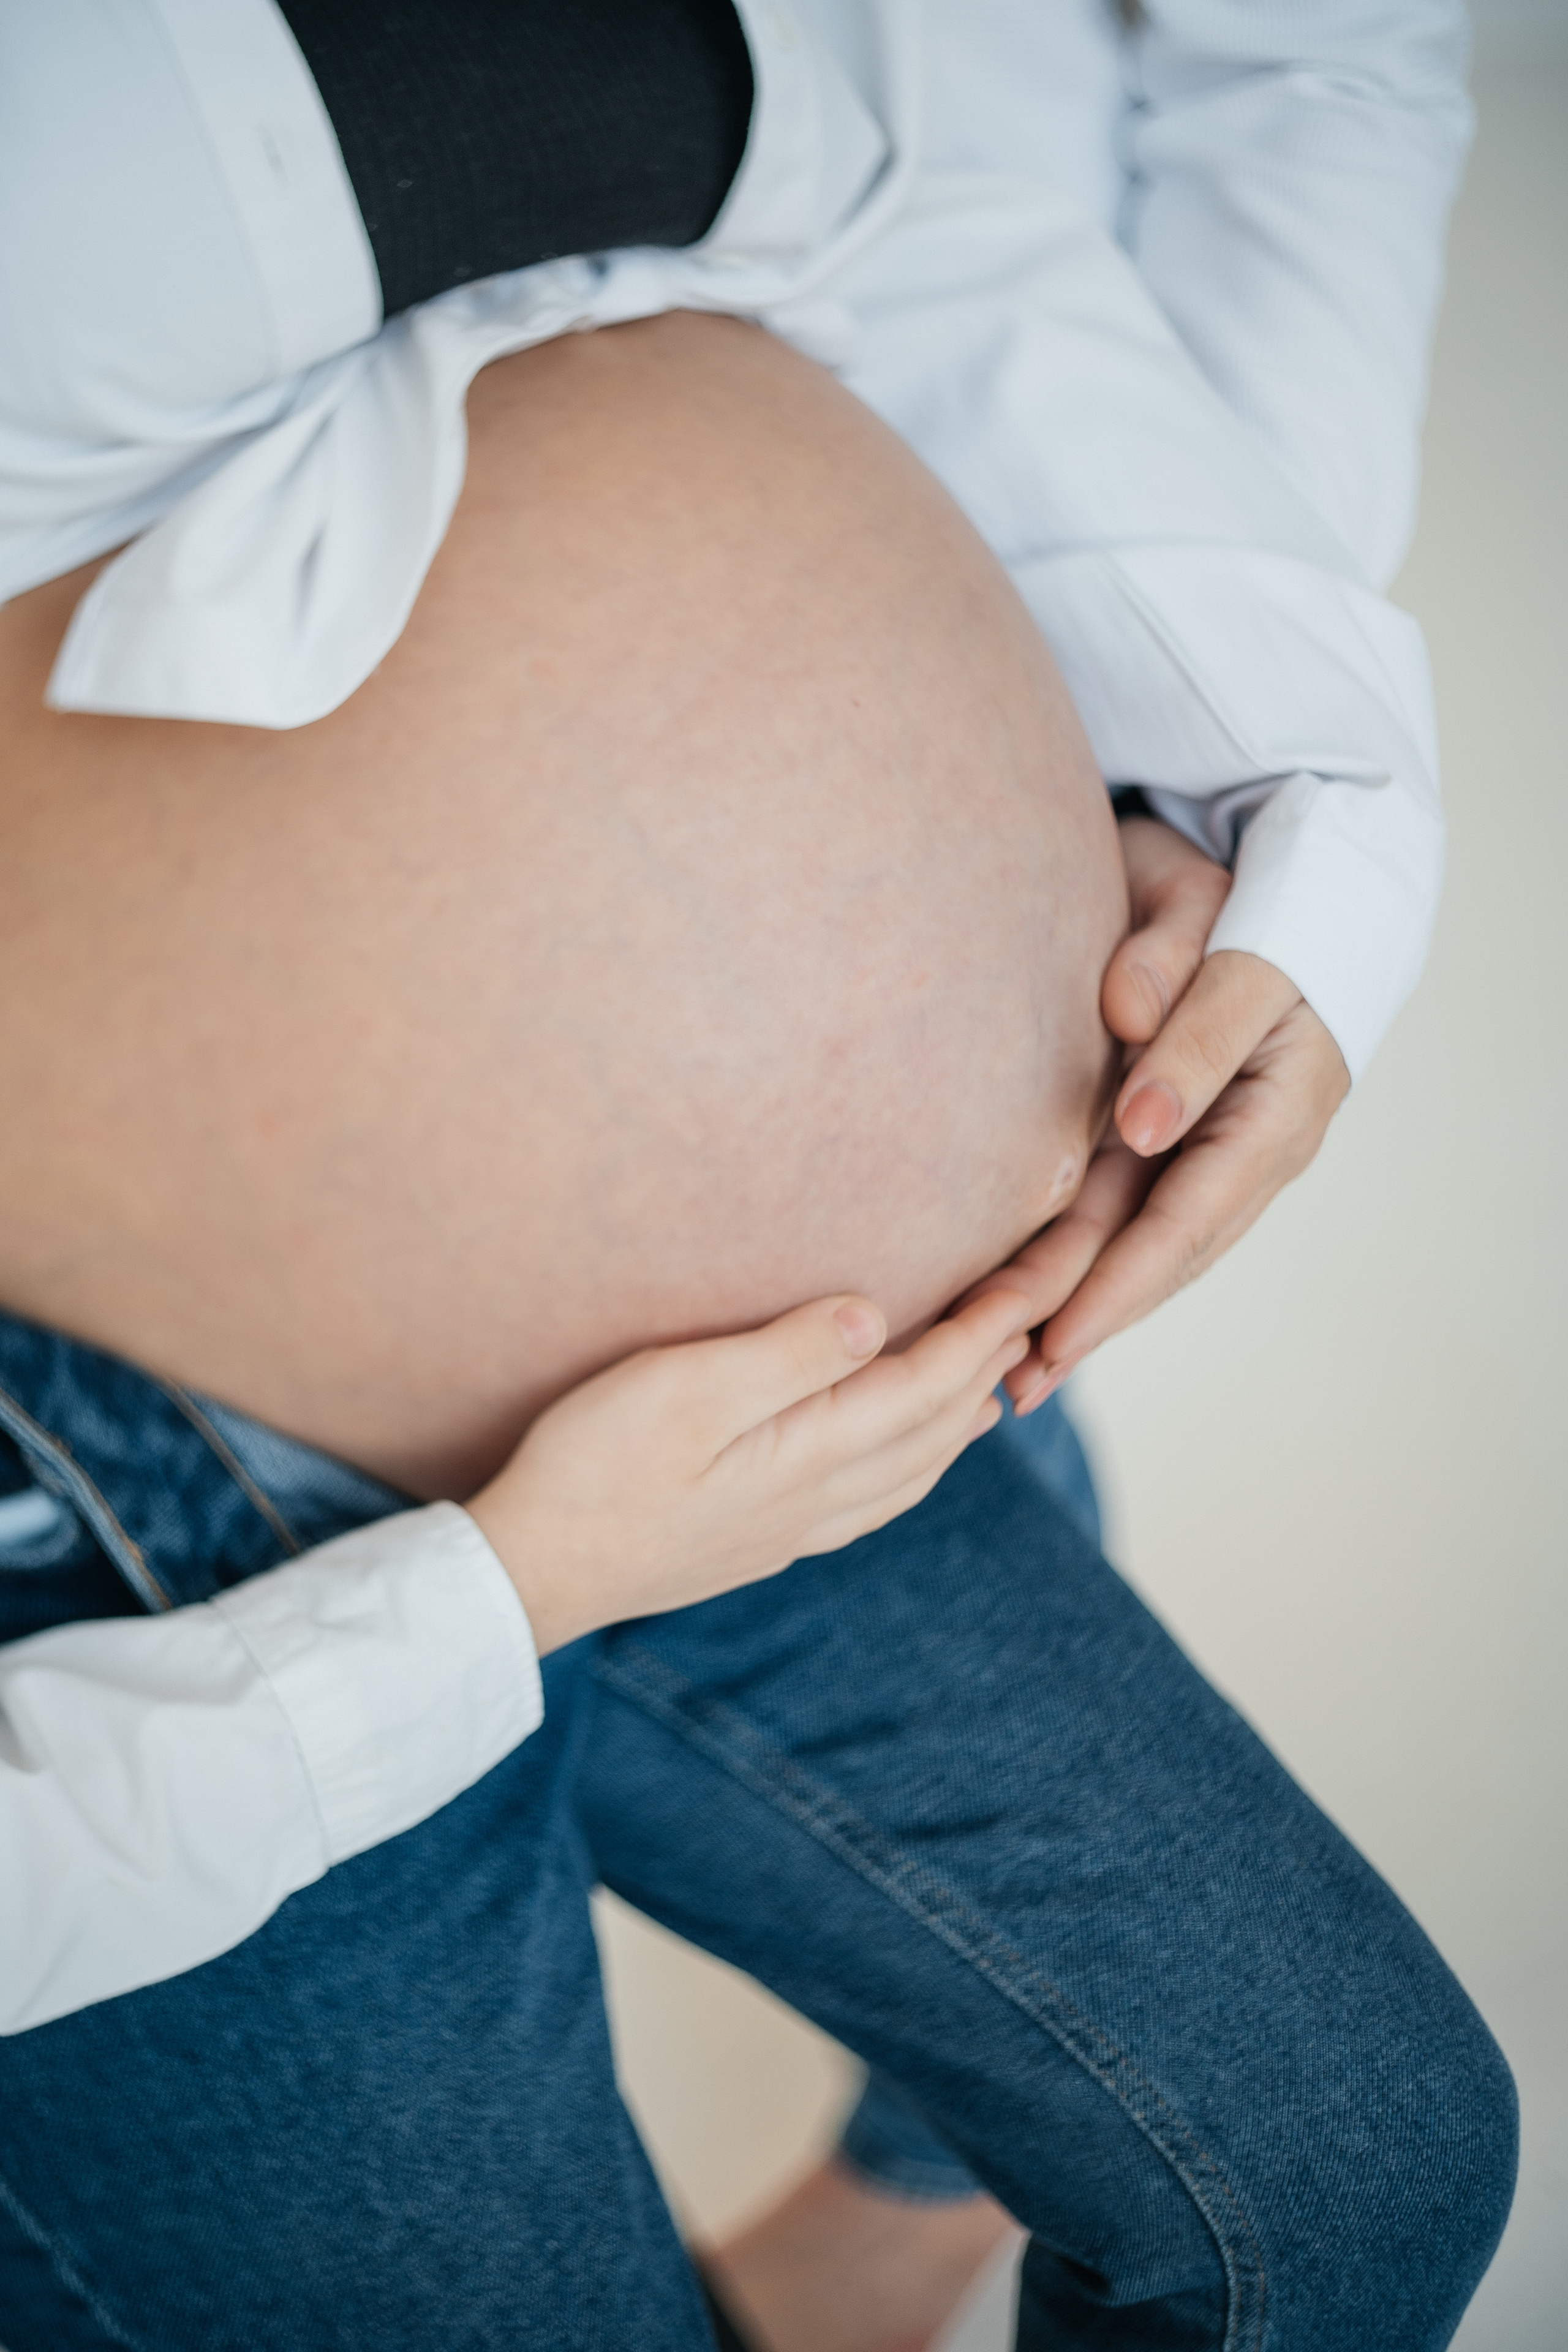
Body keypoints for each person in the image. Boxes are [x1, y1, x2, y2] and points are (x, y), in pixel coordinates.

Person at [0, 5, 1515, 2350]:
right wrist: (513, 1581)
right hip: (123, 1578)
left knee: (1342, 2194)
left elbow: (950, 223)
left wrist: (1266, 799)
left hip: (794, 1424)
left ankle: (849, 2263)